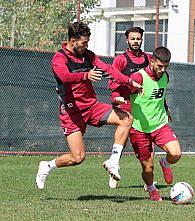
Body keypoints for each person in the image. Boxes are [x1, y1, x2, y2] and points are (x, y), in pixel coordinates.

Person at [35, 21, 142, 190]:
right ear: (72, 40)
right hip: (71, 112)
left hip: (91, 106)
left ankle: (113, 161)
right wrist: (86, 75)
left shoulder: (88, 55)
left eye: (87, 42)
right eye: (83, 43)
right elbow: (64, 76)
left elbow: (109, 70)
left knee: (126, 119)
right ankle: (47, 166)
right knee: (77, 157)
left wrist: (130, 82)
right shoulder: (59, 58)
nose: (86, 46)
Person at [128, 46, 182, 201]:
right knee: (148, 168)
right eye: (159, 66)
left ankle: (165, 162)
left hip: (159, 125)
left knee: (176, 153)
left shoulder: (166, 76)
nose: (162, 69)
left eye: (166, 66)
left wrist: (165, 107)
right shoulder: (138, 78)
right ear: (152, 61)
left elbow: (159, 94)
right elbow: (121, 92)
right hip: (139, 129)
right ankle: (151, 189)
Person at [106, 27, 153, 188]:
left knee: (144, 143)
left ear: (142, 40)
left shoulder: (149, 59)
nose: (136, 42)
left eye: (138, 39)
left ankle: (148, 178)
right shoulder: (121, 60)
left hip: (143, 106)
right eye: (133, 39)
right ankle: (114, 168)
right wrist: (115, 98)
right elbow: (112, 81)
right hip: (126, 103)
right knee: (123, 139)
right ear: (127, 40)